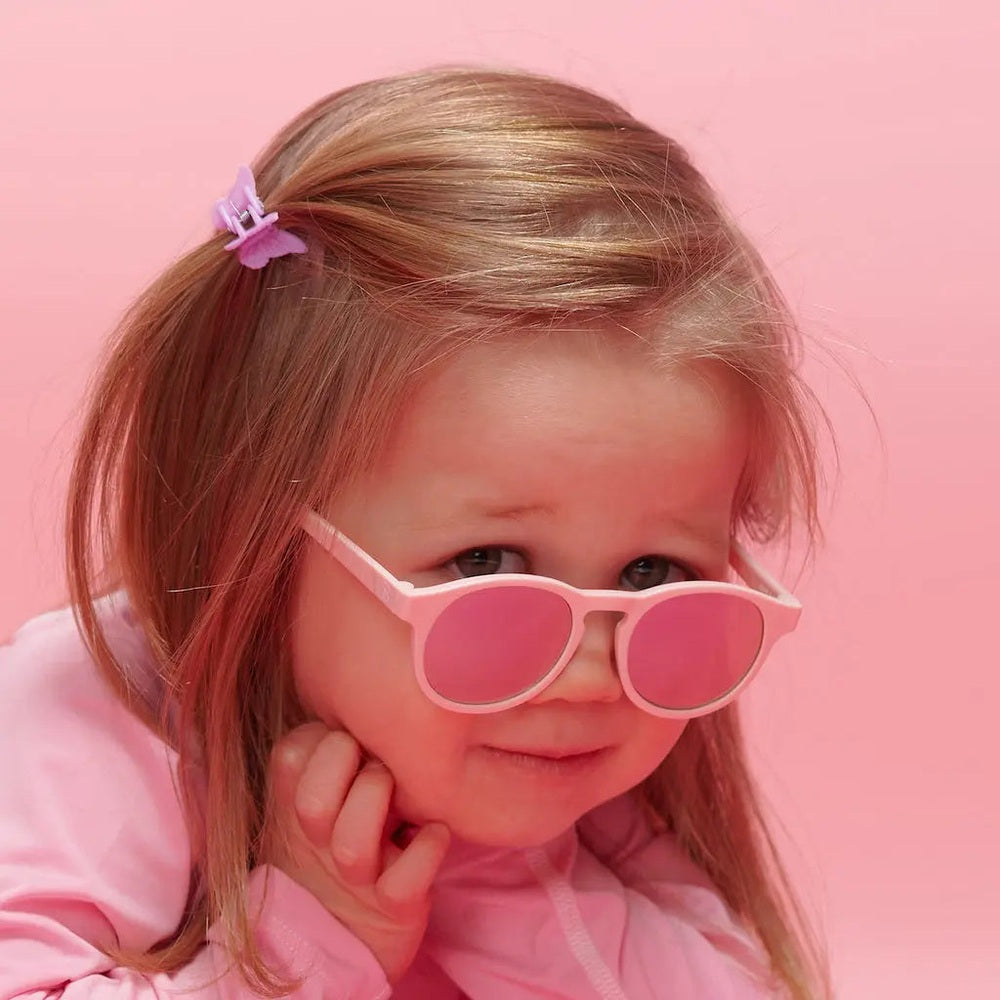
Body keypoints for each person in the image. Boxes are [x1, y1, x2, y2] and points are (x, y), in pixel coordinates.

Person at [0, 65, 833, 999]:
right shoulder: (93, 714)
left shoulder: (575, 758)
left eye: (653, 573)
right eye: (487, 564)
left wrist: (498, 873)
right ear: (264, 534)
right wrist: (313, 941)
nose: (595, 668)